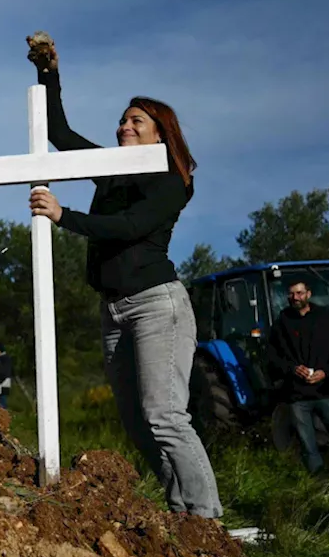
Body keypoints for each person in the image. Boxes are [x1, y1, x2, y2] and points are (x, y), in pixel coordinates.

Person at [25, 31, 222, 519]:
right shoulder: (111, 170)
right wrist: (47, 72)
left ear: (160, 133)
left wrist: (64, 216)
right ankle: (179, 511)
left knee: (165, 417)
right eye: (122, 119)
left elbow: (131, 226)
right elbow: (59, 133)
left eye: (137, 120)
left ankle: (205, 516)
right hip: (112, 308)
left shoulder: (172, 181)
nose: (123, 126)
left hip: (157, 304)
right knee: (137, 422)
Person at [266, 277, 329, 472]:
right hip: (297, 395)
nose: (294, 297)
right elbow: (273, 356)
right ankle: (318, 480)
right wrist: (292, 368)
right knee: (307, 442)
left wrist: (325, 372)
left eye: (299, 293)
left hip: (326, 391)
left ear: (308, 294)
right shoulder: (282, 322)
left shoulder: (327, 319)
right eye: (291, 294)